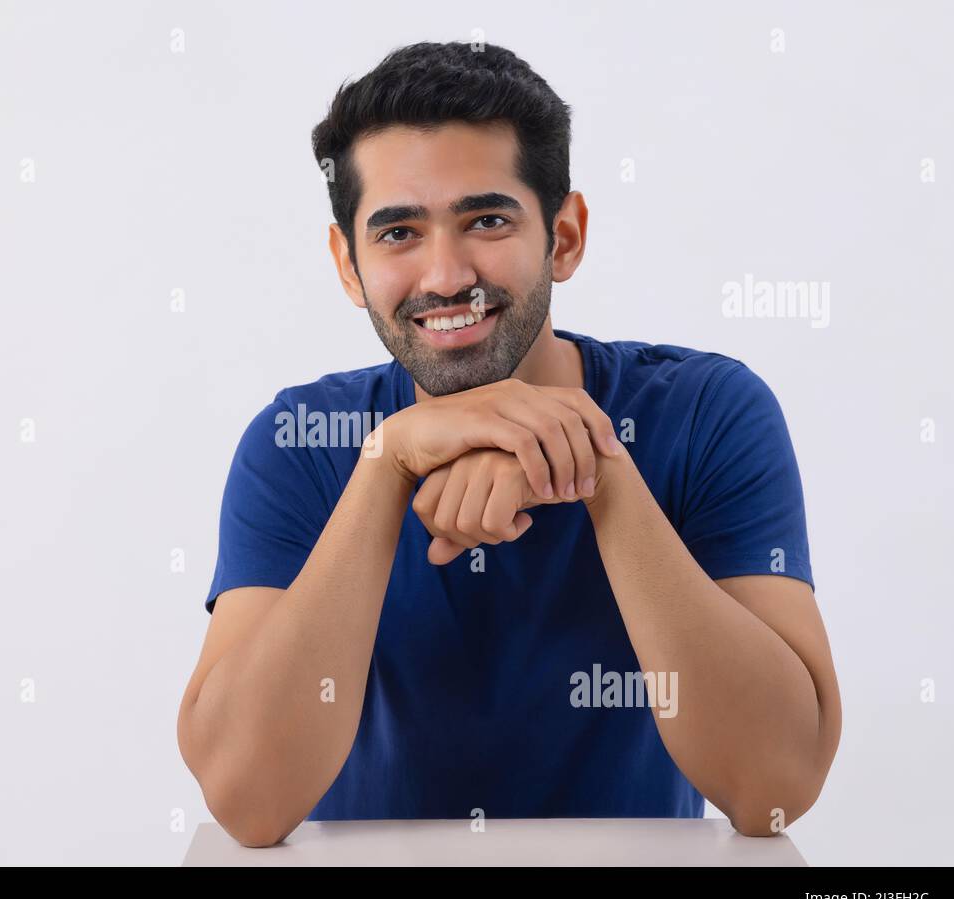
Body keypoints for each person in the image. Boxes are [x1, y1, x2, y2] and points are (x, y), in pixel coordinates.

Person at [177, 41, 841, 848]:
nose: (447, 275)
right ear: (348, 266)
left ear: (563, 236)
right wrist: (387, 465)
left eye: (486, 220)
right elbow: (248, 803)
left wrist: (597, 467)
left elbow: (775, 786)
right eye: (398, 233)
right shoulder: (299, 445)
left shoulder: (708, 412)